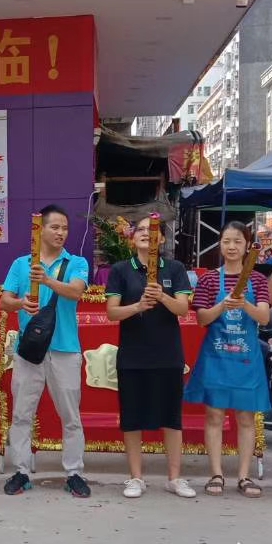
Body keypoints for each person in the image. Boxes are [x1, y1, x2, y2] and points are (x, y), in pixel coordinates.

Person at [0, 205, 91, 498]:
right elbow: (4, 300)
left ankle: (74, 472)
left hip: (65, 349)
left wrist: (47, 280)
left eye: (65, 228)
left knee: (71, 416)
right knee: (21, 414)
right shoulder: (21, 264)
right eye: (55, 227)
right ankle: (21, 471)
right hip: (30, 350)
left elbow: (76, 291)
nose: (61, 233)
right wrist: (21, 303)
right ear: (40, 230)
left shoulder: (76, 262)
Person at [105, 214, 196, 500]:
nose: (146, 234)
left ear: (163, 239)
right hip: (133, 355)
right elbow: (112, 312)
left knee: (171, 418)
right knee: (132, 418)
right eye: (141, 230)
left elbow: (183, 309)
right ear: (132, 239)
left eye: (153, 230)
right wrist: (138, 305)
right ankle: (136, 478)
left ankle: (174, 478)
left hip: (168, 354)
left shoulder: (175, 268)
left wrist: (162, 297)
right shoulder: (121, 270)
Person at [186, 221, 272, 498]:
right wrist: (222, 305)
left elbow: (264, 317)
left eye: (237, 241)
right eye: (226, 241)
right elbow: (201, 318)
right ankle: (216, 473)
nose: (232, 246)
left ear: (247, 246)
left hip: (246, 359)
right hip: (217, 357)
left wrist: (244, 304)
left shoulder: (257, 280)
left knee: (246, 416)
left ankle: (244, 476)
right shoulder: (209, 279)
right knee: (214, 414)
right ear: (220, 245)